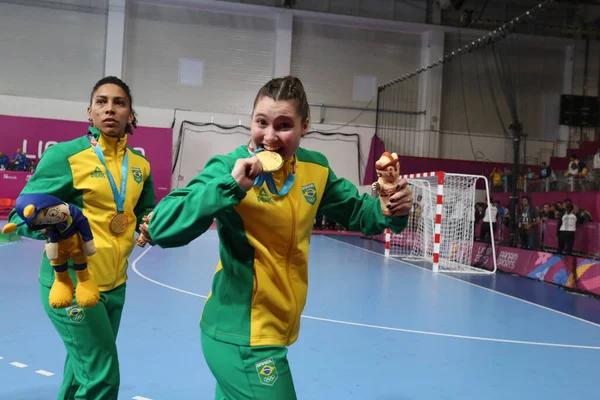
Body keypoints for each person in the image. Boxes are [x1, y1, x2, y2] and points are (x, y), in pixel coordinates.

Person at [142, 76, 412, 399]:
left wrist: (392, 206)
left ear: (305, 126)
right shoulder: (231, 167)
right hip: (241, 335)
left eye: (283, 125)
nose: (269, 137)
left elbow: (360, 213)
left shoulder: (315, 170)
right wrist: (230, 187)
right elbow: (162, 224)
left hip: (274, 333)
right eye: (261, 122)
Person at [8, 76, 156, 399]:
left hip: (115, 285)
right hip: (74, 285)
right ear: (89, 112)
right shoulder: (67, 156)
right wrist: (52, 221)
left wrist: (149, 227)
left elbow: (145, 213)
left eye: (119, 103)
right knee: (102, 378)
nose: (110, 109)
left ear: (131, 115)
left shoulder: (141, 167)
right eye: (101, 102)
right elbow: (20, 215)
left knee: (81, 373)